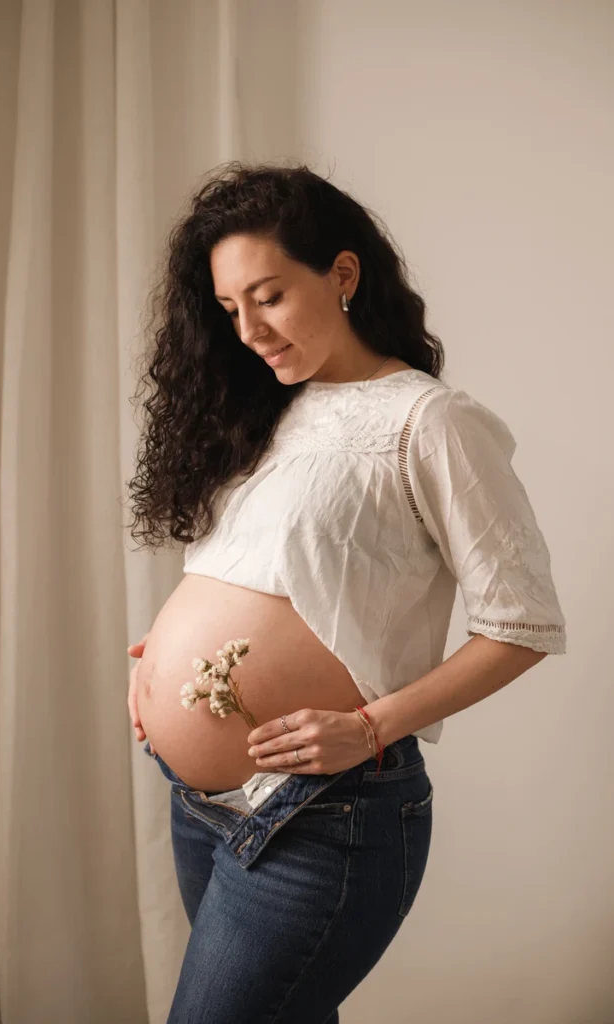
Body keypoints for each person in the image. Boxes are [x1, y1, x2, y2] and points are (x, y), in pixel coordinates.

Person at [124, 161, 567, 1023]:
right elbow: (260, 573)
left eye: (269, 296)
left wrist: (367, 726)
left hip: (322, 815)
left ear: (342, 273)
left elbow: (521, 624)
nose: (248, 329)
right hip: (200, 806)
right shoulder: (264, 410)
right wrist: (160, 657)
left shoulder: (426, 422)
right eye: (228, 310)